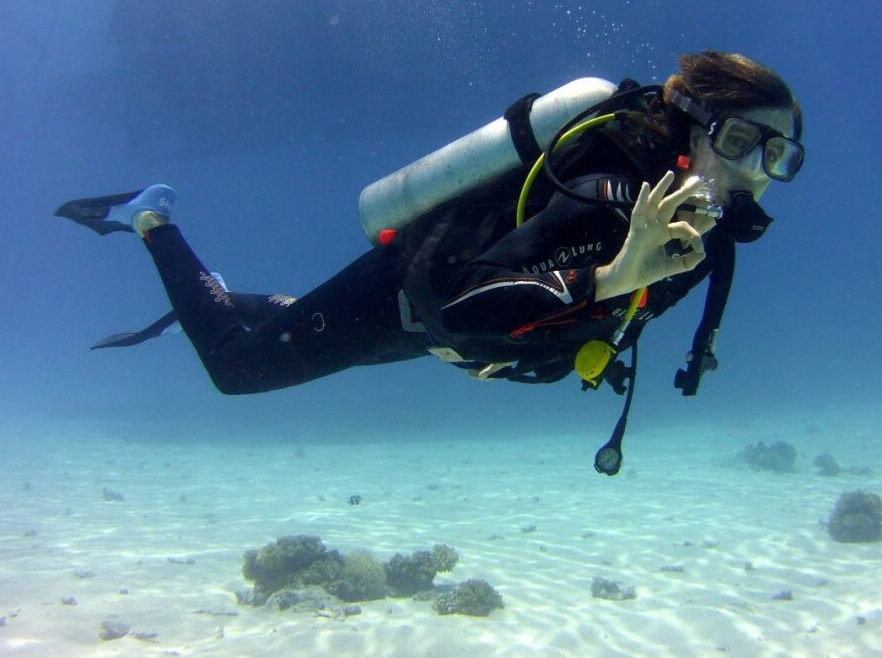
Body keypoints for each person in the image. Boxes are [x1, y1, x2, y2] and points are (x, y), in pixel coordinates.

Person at [57, 50, 803, 472]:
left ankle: (230, 297)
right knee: (236, 369)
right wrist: (612, 278)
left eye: (778, 156)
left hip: (440, 336)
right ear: (693, 128)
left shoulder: (703, 228)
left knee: (295, 327)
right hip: (413, 292)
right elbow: (469, 302)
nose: (753, 172)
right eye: (739, 142)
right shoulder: (612, 191)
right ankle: (150, 216)